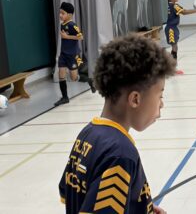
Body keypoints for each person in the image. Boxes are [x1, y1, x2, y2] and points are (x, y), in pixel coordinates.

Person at [59, 34, 175, 214]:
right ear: (135, 99)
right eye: (160, 95)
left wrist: (141, 208)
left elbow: (71, 192)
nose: (162, 104)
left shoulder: (87, 135)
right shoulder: (121, 154)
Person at [54, 2, 94, 107]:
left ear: (70, 15)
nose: (60, 15)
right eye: (60, 13)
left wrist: (67, 37)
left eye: (63, 13)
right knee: (61, 74)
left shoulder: (73, 25)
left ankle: (90, 81)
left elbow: (80, 37)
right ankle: (65, 97)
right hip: (63, 54)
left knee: (74, 78)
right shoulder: (62, 24)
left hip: (72, 55)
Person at [164, 0, 196, 74]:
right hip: (171, 29)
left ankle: (171, 67)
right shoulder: (174, 5)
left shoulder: (171, 5)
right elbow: (184, 12)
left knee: (175, 47)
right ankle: (172, 68)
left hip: (173, 28)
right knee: (174, 47)